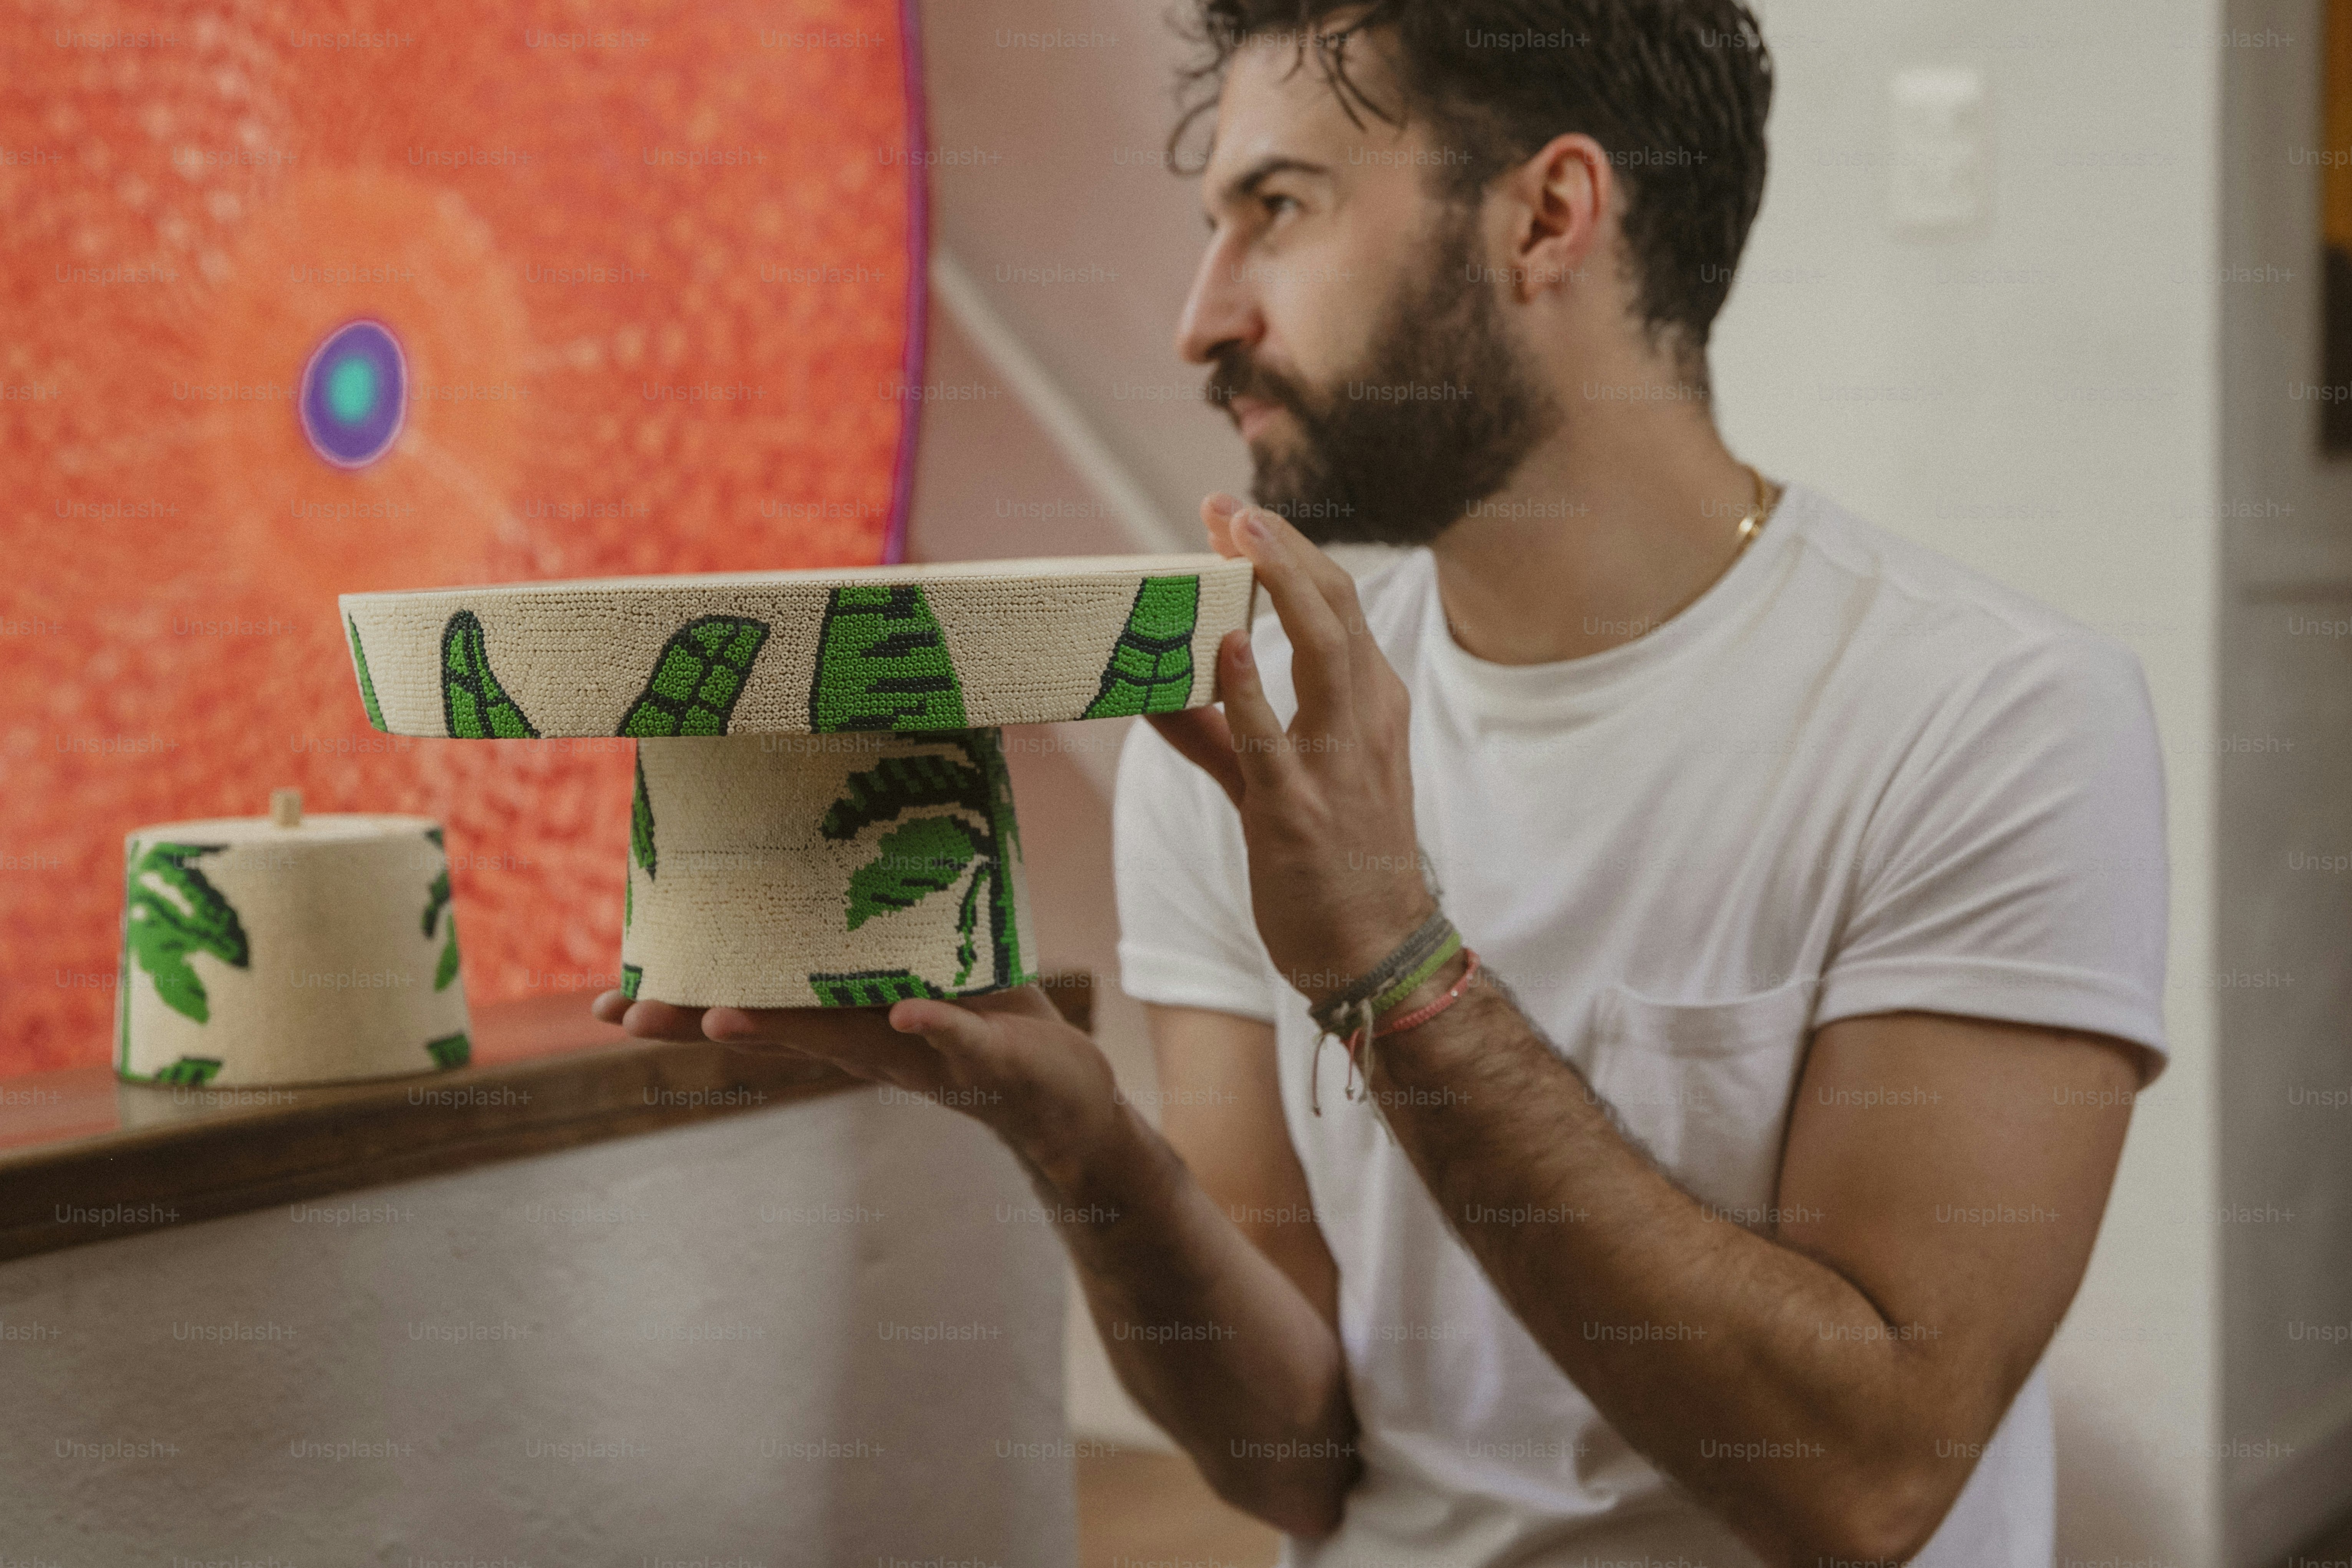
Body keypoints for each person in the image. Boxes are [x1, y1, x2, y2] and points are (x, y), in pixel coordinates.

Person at [595, 3, 2169, 1562]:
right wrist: (1090, 1151)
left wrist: (1391, 967)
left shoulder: (1989, 716)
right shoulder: (1240, 732)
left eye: (1276, 210)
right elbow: (1296, 1464)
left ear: (1547, 217)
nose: (1199, 319)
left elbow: (1862, 1482)